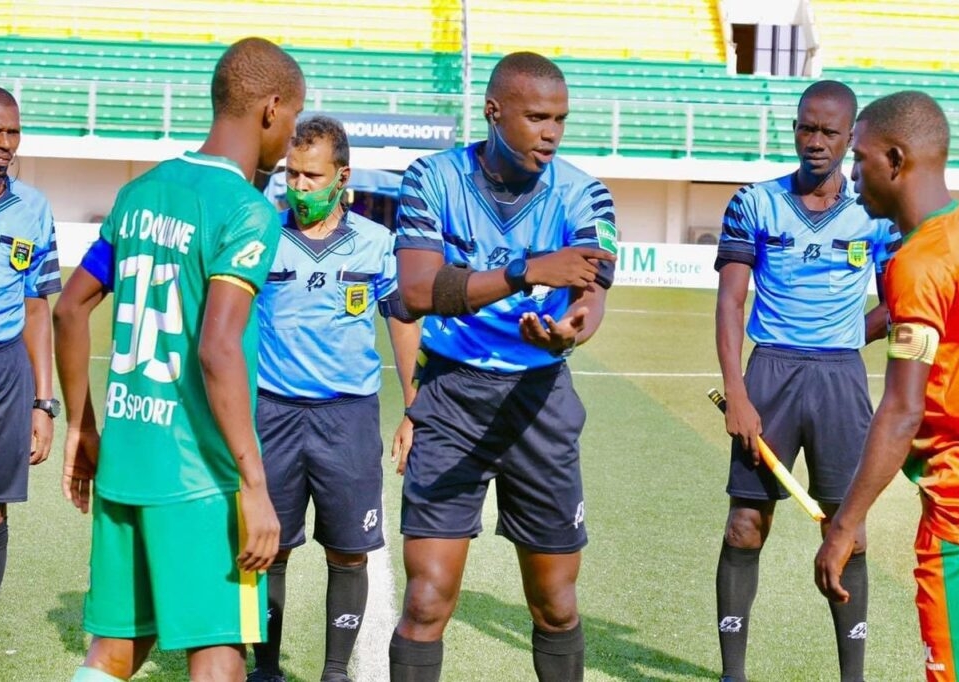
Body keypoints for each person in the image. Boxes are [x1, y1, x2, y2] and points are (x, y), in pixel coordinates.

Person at [51, 37, 304, 682]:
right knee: (217, 651)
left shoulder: (143, 192)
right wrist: (253, 482)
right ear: (272, 109)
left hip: (127, 458)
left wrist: (82, 428)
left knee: (114, 653)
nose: (290, 137)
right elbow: (218, 348)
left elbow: (69, 308)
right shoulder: (246, 210)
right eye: (295, 120)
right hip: (200, 473)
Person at [388, 51, 618, 682]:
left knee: (556, 606)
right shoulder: (430, 179)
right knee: (426, 600)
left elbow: (591, 295)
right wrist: (525, 271)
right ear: (494, 112)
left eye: (561, 120)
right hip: (451, 397)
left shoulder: (584, 192)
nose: (551, 132)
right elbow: (414, 292)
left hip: (539, 399)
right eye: (537, 116)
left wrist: (570, 334)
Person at [815, 91, 959, 681]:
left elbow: (902, 411)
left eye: (860, 158)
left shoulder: (918, 262)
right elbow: (954, 320)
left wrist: (844, 526)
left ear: (896, 160)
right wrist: (862, 329)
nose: (851, 175)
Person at [713, 80, 900, 682]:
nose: (815, 142)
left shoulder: (876, 214)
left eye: (828, 132)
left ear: (851, 139)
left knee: (849, 527)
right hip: (768, 373)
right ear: (795, 128)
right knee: (746, 524)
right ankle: (733, 673)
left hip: (840, 379)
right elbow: (729, 303)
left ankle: (853, 675)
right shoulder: (753, 202)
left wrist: (848, 334)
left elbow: (902, 301)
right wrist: (736, 392)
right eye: (805, 128)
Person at [246, 114, 421, 682]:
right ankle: (266, 670)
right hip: (271, 412)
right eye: (292, 175)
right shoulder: (263, 236)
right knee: (267, 548)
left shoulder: (376, 244)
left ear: (342, 176)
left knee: (348, 550)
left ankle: (334, 672)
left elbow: (401, 323)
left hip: (347, 416)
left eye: (312, 177)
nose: (298, 187)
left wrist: (413, 408)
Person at [0, 85, 61, 617]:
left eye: (12, 132)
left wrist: (43, 402)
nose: (5, 143)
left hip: (5, 369)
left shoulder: (34, 208)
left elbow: (39, 307)